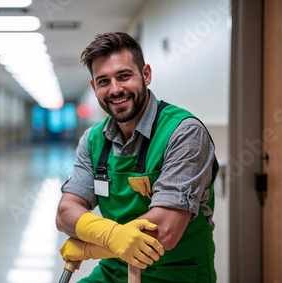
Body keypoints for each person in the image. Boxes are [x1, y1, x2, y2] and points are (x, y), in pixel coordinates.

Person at [55, 32, 218, 282]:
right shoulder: (92, 139)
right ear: (93, 87)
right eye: (103, 81)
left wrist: (91, 247)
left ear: (146, 74)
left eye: (124, 76)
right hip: (114, 272)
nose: (115, 89)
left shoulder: (184, 132)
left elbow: (165, 231)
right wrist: (111, 236)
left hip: (176, 274)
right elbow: (66, 212)